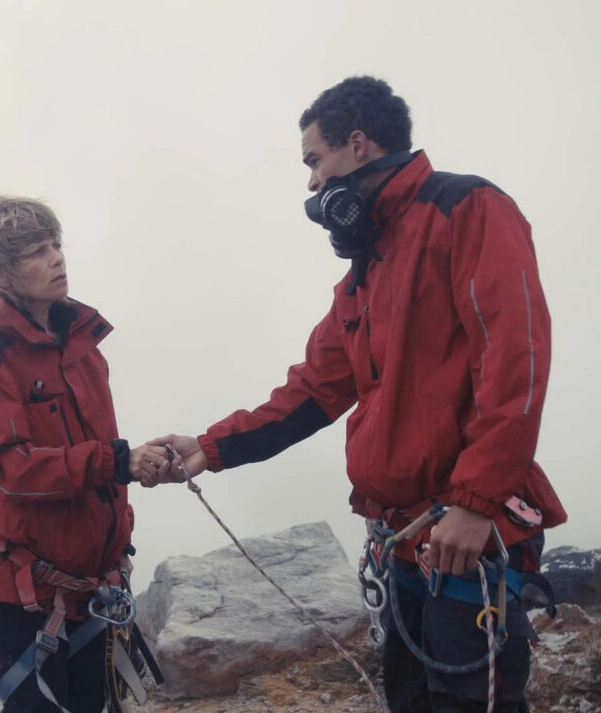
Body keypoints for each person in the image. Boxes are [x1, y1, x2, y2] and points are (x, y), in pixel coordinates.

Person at [149, 76, 567, 712]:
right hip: (404, 544)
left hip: (465, 540)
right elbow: (316, 387)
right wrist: (210, 447)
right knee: (411, 700)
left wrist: (476, 504)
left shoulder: (468, 209)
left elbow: (516, 361)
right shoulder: (365, 271)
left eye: (315, 161)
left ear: (358, 143)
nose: (312, 183)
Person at [0, 196, 172, 713]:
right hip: (25, 593)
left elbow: (100, 447)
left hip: (93, 584)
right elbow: (10, 469)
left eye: (56, 245)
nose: (57, 259)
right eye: (36, 252)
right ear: (0, 271)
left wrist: (133, 479)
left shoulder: (82, 346)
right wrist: (117, 461)